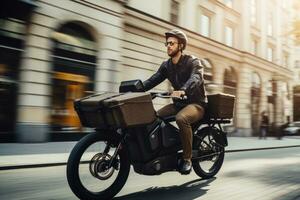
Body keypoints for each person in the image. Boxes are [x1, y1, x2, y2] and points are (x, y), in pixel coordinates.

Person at [142, 29, 207, 174]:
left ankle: (187, 159)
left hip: (196, 104)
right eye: (167, 43)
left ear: (181, 46)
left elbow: (196, 77)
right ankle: (167, 148)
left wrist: (184, 89)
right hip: (179, 104)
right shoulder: (167, 65)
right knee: (152, 118)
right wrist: (137, 88)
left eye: (172, 43)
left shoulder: (193, 61)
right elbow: (153, 79)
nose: (168, 46)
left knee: (181, 119)